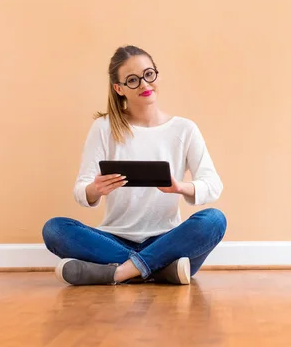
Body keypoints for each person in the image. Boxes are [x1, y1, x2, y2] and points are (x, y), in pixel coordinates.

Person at [42, 45, 227, 286]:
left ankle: (119, 273)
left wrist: (180, 187)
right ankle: (160, 271)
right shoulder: (104, 128)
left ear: (156, 75)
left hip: (167, 240)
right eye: (132, 80)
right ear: (119, 89)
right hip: (114, 239)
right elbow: (81, 190)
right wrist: (95, 189)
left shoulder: (184, 129)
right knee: (55, 229)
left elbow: (213, 185)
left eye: (149, 74)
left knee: (214, 220)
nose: (144, 84)